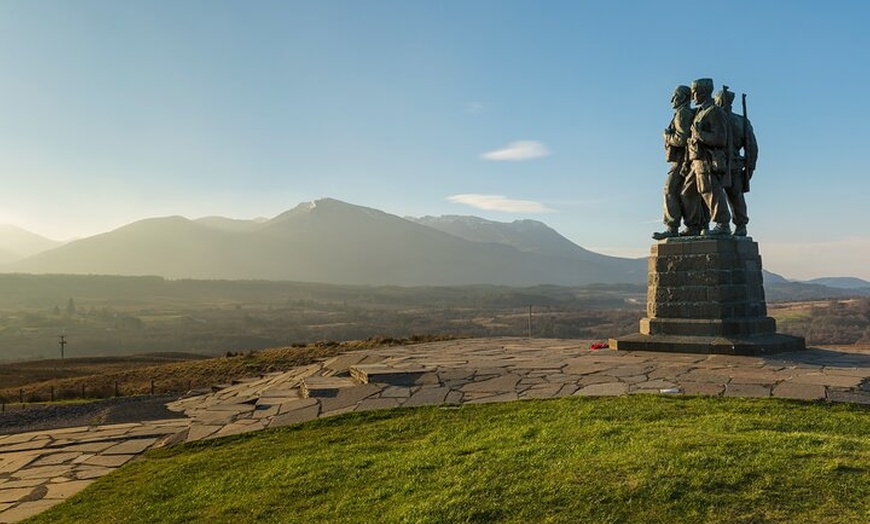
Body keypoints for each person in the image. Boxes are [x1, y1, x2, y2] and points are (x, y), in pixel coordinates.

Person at [653, 85, 699, 239]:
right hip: (686, 160)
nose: (672, 100)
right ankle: (692, 225)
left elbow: (681, 139)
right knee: (686, 193)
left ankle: (673, 227)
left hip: (681, 160)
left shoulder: (682, 114)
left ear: (684, 97)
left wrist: (667, 136)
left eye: (675, 96)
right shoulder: (684, 113)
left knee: (670, 190)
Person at [686, 78, 731, 236]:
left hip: (708, 159)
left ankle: (722, 224)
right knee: (687, 192)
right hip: (696, 160)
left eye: (695, 93)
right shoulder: (700, 112)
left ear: (704, 93)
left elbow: (720, 138)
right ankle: (694, 225)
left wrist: (700, 135)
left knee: (711, 191)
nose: (692, 97)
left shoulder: (714, 112)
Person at [714, 88, 758, 237]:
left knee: (724, 195)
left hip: (721, 165)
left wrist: (749, 168)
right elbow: (752, 148)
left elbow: (751, 147)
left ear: (719, 101)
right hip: (733, 165)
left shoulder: (717, 119)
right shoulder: (741, 121)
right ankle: (739, 225)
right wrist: (750, 167)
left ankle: (729, 225)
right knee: (735, 196)